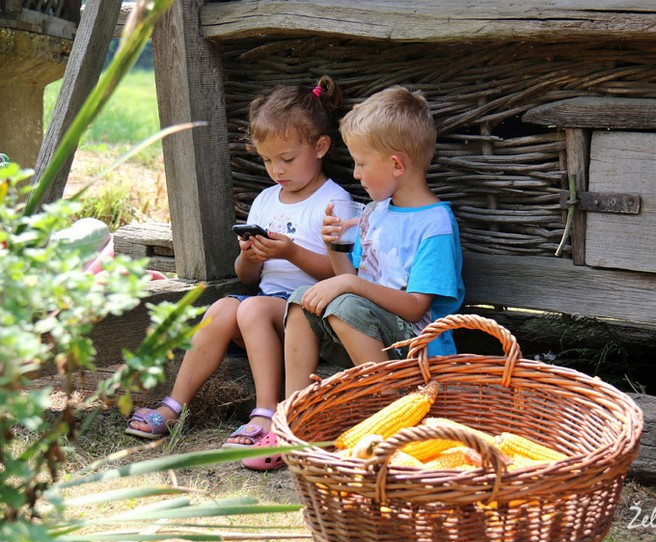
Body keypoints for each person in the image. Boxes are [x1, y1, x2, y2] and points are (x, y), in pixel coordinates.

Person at [240, 85, 464, 471]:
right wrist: (334, 249)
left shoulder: (434, 225)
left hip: (415, 347)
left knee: (341, 301)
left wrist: (349, 284)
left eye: (361, 164)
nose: (355, 173)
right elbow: (347, 280)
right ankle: (294, 420)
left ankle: (391, 412)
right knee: (301, 300)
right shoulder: (376, 213)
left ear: (396, 165)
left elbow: (415, 307)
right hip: (364, 329)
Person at [125, 75, 352, 448]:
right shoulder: (266, 200)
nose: (277, 169)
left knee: (249, 311)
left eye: (287, 159)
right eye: (266, 160)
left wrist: (291, 252)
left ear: (321, 146)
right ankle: (173, 405)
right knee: (221, 309)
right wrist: (249, 256)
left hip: (309, 314)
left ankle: (266, 413)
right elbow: (246, 278)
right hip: (265, 308)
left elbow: (341, 274)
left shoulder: (334, 203)